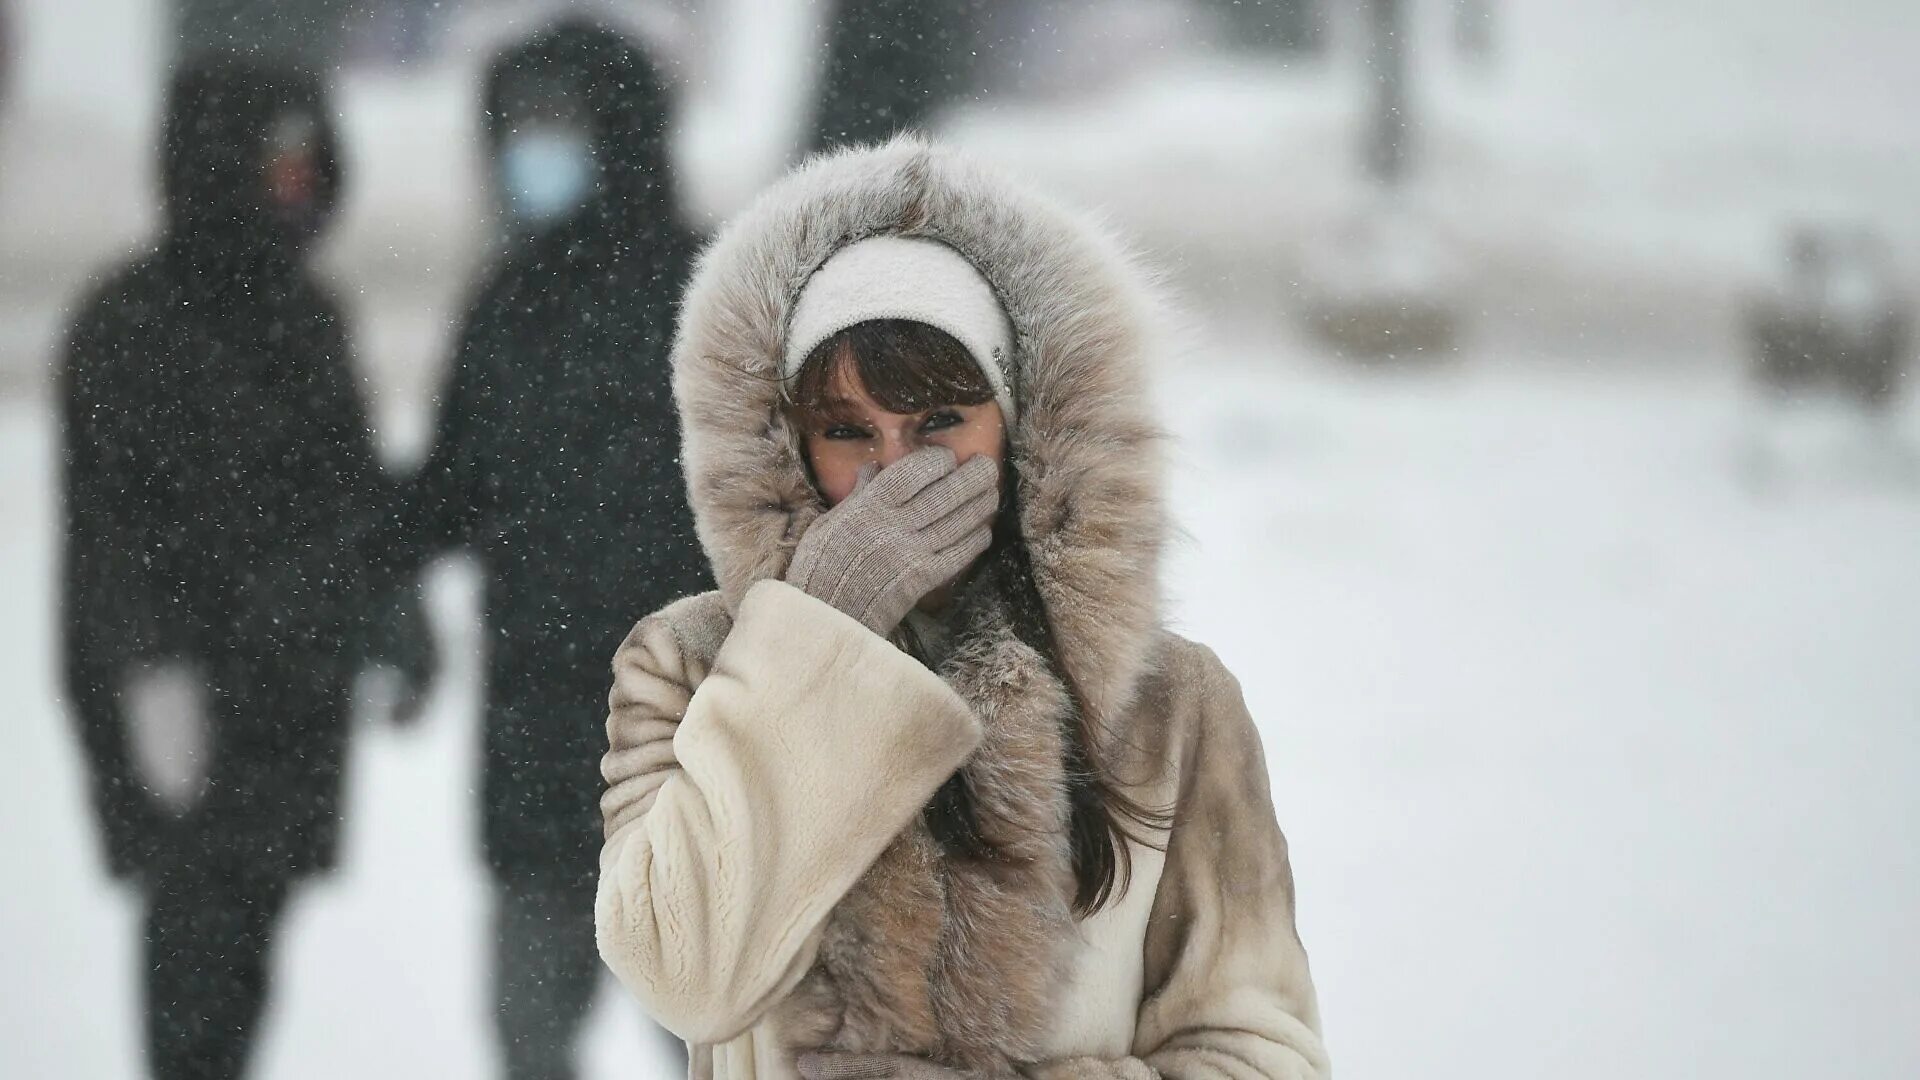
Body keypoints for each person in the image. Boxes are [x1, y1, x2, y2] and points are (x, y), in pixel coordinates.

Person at [594, 137, 1330, 1079]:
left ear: (1022, 428)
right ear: (787, 445)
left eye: (941, 421)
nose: (895, 470)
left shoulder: (1175, 707)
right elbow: (686, 979)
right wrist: (819, 642)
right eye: (848, 431)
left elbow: (1257, 1048)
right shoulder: (689, 668)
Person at [57, 54, 422, 1079]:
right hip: (179, 718)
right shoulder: (128, 324)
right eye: (278, 164)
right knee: (191, 984)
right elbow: (104, 533)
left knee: (246, 965)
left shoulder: (309, 316)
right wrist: (147, 673)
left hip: (291, 706)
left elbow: (352, 497)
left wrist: (396, 622)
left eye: (309, 164)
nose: (298, 184)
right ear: (220, 165)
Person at [402, 19, 706, 1079]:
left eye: (557, 125)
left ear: (619, 132)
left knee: (717, 1038)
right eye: (517, 126)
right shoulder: (507, 306)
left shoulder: (711, 298)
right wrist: (354, 557)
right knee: (532, 1037)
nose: (531, 150)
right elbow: (448, 490)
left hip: (690, 759)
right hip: (539, 754)